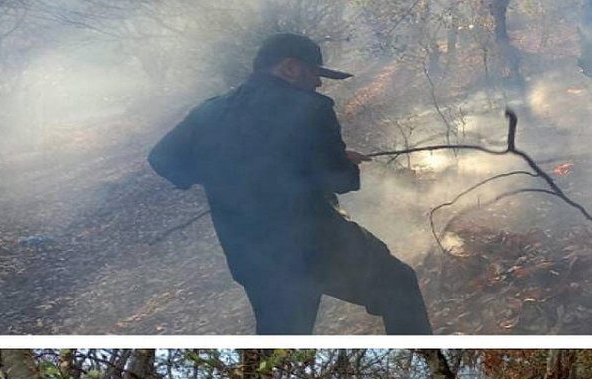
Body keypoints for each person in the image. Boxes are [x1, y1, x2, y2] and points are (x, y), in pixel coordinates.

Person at [149, 33, 433, 334]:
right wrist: (341, 160)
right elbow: (337, 178)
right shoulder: (309, 107)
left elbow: (163, 159)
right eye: (314, 73)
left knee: (282, 338)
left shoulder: (210, 111)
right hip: (315, 246)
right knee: (398, 285)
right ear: (290, 68)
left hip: (250, 254)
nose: (319, 84)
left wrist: (226, 175)